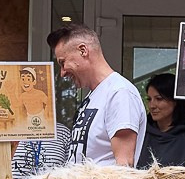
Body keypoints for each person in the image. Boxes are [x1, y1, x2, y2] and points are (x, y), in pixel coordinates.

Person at [49, 22, 145, 167]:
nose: (62, 73)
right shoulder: (95, 95)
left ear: (83, 51)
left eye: (63, 63)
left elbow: (124, 165)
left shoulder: (120, 92)